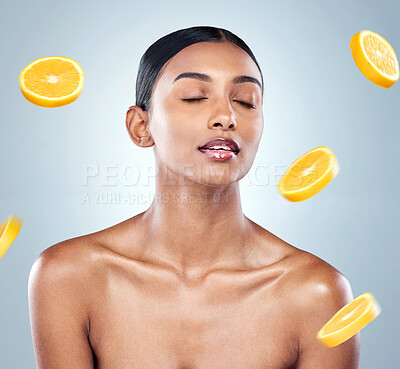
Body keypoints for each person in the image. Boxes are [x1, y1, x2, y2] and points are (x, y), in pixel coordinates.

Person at [28, 25, 360, 368]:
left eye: (246, 101)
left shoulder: (317, 294)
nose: (226, 117)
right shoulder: (68, 276)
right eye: (194, 97)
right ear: (141, 127)